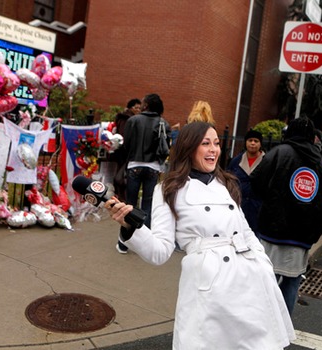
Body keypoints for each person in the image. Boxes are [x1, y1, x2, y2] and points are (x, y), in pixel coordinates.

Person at [105, 122, 295, 349]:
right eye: (205, 144)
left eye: (216, 143)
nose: (214, 149)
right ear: (189, 147)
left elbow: (245, 231)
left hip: (249, 279)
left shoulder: (226, 182)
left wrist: (261, 262)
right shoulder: (168, 188)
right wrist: (130, 227)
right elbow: (159, 252)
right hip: (209, 284)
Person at [250, 116, 322, 315]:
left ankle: (261, 322)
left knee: (265, 279)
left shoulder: (279, 152)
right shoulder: (320, 162)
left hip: (273, 229)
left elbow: (257, 181)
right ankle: (283, 328)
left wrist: (270, 202)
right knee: (292, 282)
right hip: (302, 234)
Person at [116, 93, 170, 254]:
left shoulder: (133, 120)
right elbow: (165, 146)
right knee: (147, 204)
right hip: (153, 167)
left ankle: (124, 242)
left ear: (146, 105)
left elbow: (127, 144)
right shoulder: (163, 123)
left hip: (135, 164)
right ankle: (143, 245)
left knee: (129, 205)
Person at [227, 128, 264, 235]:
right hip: (239, 208)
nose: (252, 143)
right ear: (245, 142)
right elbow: (228, 182)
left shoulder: (267, 161)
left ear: (260, 144)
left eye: (256, 141)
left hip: (258, 210)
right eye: (250, 140)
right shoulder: (235, 161)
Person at [112, 98, 141, 202]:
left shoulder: (128, 117)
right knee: (122, 174)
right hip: (125, 150)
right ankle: (121, 196)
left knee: (122, 172)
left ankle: (119, 195)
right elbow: (124, 135)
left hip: (122, 150)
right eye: (136, 108)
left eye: (139, 108)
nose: (138, 110)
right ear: (130, 108)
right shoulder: (126, 119)